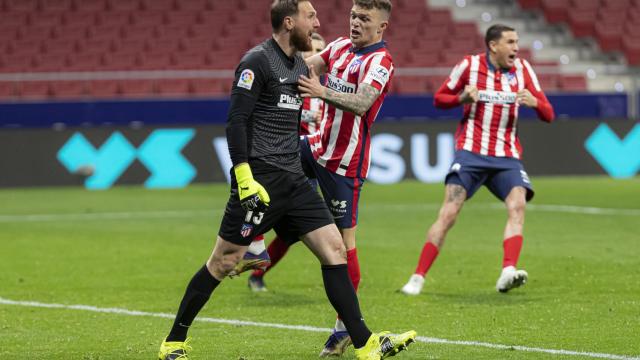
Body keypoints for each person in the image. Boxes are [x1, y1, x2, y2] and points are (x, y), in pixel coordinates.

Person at [157, 1, 416, 359]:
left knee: (335, 249)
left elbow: (352, 100)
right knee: (222, 262)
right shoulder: (256, 62)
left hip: (293, 175)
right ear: (290, 22)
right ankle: (174, 341)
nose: (319, 23)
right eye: (311, 17)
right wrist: (244, 177)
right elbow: (236, 122)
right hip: (260, 178)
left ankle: (364, 342)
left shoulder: (298, 65)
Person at [247, 0, 396, 356]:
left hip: (344, 164)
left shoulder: (381, 62)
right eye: (353, 16)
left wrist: (322, 92)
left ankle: (343, 329)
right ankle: (254, 245)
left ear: (382, 27)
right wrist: (267, 74)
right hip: (314, 146)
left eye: (365, 19)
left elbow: (362, 103)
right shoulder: (340, 47)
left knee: (344, 247)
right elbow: (304, 67)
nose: (356, 23)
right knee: (260, 163)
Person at [400, 24, 555, 296]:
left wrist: (535, 103)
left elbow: (549, 114)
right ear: (493, 45)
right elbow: (439, 99)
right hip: (470, 153)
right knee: (449, 213)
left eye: (517, 42)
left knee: (518, 205)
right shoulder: (469, 66)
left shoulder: (524, 70)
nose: (516, 48)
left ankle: (508, 270)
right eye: (510, 42)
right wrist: (461, 97)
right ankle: (417, 277)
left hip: (506, 156)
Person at [246, 32, 326, 293]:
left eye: (322, 50)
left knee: (291, 234)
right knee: (269, 206)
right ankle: (248, 242)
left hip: (312, 162)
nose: (318, 55)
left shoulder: (327, 89)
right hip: (285, 157)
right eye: (314, 48)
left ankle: (257, 272)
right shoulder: (290, 81)